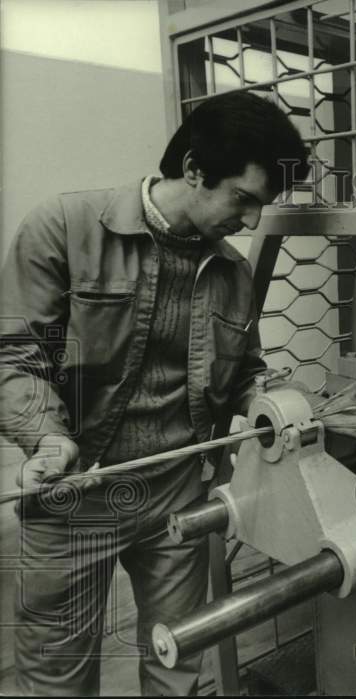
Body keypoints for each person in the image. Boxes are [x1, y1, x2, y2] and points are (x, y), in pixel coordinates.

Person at [0, 92, 314, 696]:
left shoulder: (231, 272)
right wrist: (48, 438)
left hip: (177, 495)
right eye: (243, 200)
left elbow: (244, 370)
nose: (251, 223)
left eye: (262, 206)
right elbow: (15, 356)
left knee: (180, 666)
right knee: (55, 677)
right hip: (76, 497)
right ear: (194, 169)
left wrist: (270, 401)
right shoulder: (65, 228)